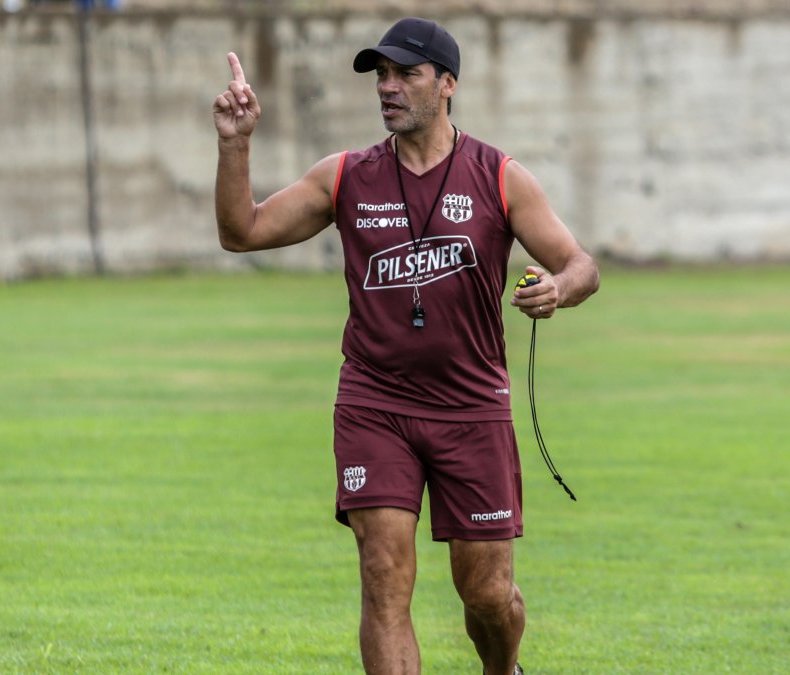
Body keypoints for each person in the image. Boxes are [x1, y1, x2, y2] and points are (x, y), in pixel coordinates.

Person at [212, 16, 599, 675]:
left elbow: (581, 264)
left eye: (405, 74)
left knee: (485, 593)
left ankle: (503, 668)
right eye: (380, 76)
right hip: (375, 403)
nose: (387, 87)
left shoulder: (499, 176)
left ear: (447, 84)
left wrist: (557, 290)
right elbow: (241, 232)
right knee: (383, 572)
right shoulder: (345, 177)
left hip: (473, 407)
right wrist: (235, 145)